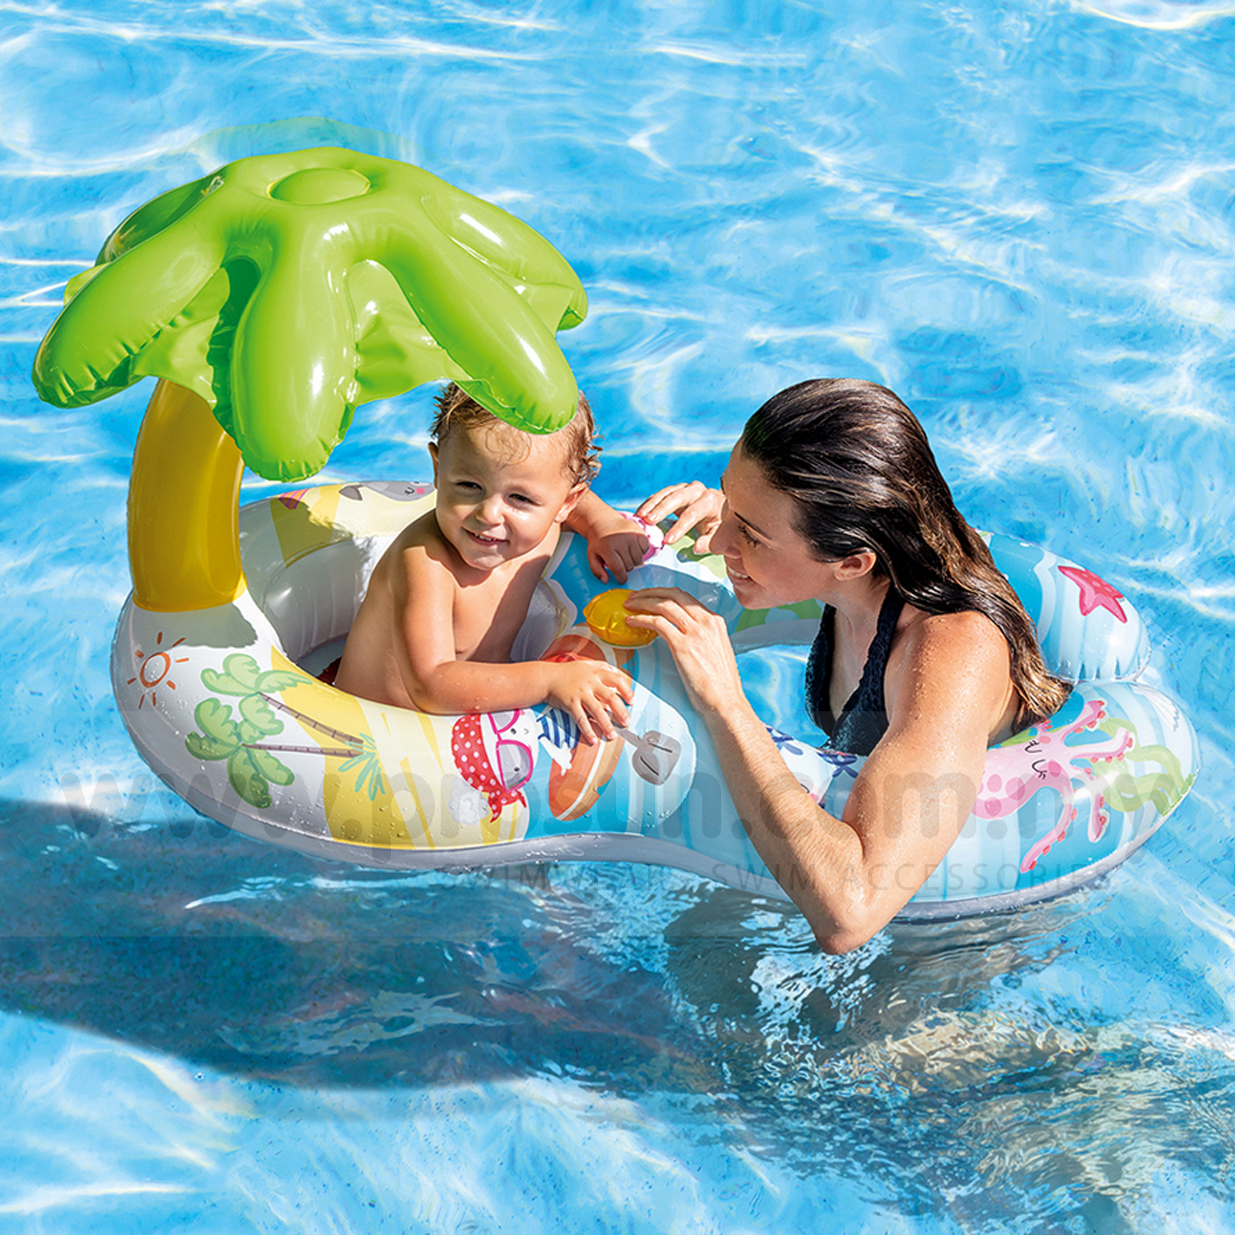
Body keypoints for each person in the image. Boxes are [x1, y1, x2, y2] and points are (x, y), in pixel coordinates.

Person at [624, 378, 1071, 953]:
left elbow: (851, 915)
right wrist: (741, 516)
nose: (717, 543)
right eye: (728, 497)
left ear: (853, 561)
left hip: (961, 924)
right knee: (693, 940)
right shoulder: (862, 572)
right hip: (886, 846)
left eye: (751, 535)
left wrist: (725, 701)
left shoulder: (954, 652)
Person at [334, 384, 649, 744]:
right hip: (374, 733)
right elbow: (430, 684)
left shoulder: (546, 521)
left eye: (519, 498)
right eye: (469, 485)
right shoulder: (425, 560)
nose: (489, 514)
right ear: (437, 468)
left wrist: (603, 524)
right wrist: (549, 680)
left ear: (564, 503)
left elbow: (572, 498)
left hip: (467, 726)